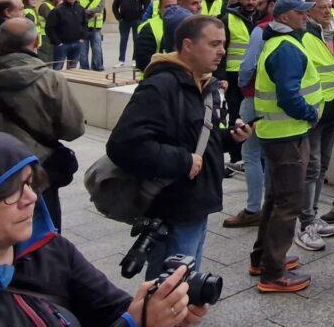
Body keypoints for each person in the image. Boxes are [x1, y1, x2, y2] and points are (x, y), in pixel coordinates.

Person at [0, 131, 208, 327]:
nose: (31, 197)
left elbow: (113, 307)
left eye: (30, 183)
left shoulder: (51, 250)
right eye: (10, 192)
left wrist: (162, 313)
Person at [108, 14, 254, 278]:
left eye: (223, 44)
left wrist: (231, 138)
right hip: (174, 206)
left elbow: (196, 137)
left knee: (185, 285)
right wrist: (183, 161)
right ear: (188, 45)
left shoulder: (201, 82)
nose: (223, 51)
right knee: (168, 288)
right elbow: (123, 144)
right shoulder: (161, 85)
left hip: (196, 203)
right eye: (214, 44)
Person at [0, 19, 84, 231]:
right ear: (36, 43)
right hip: (38, 175)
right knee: (44, 240)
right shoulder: (53, 81)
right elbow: (74, 129)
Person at [249, 0, 322, 293]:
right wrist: (310, 115)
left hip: (277, 134)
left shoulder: (278, 42)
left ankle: (262, 258)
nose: (305, 17)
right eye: (299, 13)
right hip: (288, 135)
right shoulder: (287, 48)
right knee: (288, 202)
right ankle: (274, 273)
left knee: (275, 198)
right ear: (283, 17)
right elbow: (289, 96)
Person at [293, 0, 334, 250]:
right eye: (322, 7)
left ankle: (314, 214)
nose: (328, 11)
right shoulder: (305, 35)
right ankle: (306, 222)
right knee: (311, 166)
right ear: (309, 10)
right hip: (314, 110)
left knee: (323, 165)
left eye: (329, 6)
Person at [226, 0, 282, 228]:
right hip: (279, 103)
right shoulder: (294, 30)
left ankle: (253, 208)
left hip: (254, 97)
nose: (255, 4)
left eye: (260, 1)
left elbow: (248, 65)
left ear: (270, 5)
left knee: (250, 153)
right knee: (270, 155)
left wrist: (240, 82)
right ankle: (271, 206)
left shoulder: (261, 30)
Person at [221, 0, 261, 169]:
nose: (251, 2)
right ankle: (235, 156)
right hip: (233, 74)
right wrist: (221, 77)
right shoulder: (229, 18)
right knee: (235, 115)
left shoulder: (262, 18)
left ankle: (250, 155)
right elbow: (221, 50)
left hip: (255, 76)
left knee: (251, 116)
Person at [133, 0, 178, 71]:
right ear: (160, 9)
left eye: (175, 6)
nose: (172, 9)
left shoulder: (186, 23)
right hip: (157, 77)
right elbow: (143, 62)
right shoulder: (148, 27)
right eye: (168, 6)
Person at [44, 0, 85, 71]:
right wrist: (57, 42)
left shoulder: (80, 9)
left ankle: (70, 83)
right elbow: (49, 28)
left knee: (73, 70)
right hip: (62, 45)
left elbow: (85, 24)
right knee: (57, 68)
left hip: (77, 43)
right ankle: (56, 83)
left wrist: (82, 38)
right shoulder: (57, 10)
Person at [112, 0, 148, 66]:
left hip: (137, 20)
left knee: (136, 40)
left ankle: (135, 59)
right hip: (124, 20)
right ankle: (121, 60)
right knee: (123, 40)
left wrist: (141, 17)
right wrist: (119, 17)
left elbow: (146, 6)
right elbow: (114, 6)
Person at [75, 0, 106, 71]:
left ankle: (97, 67)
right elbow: (79, 10)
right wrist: (91, 14)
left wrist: (86, 12)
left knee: (97, 49)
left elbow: (99, 9)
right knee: (83, 51)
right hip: (83, 28)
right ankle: (84, 68)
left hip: (96, 28)